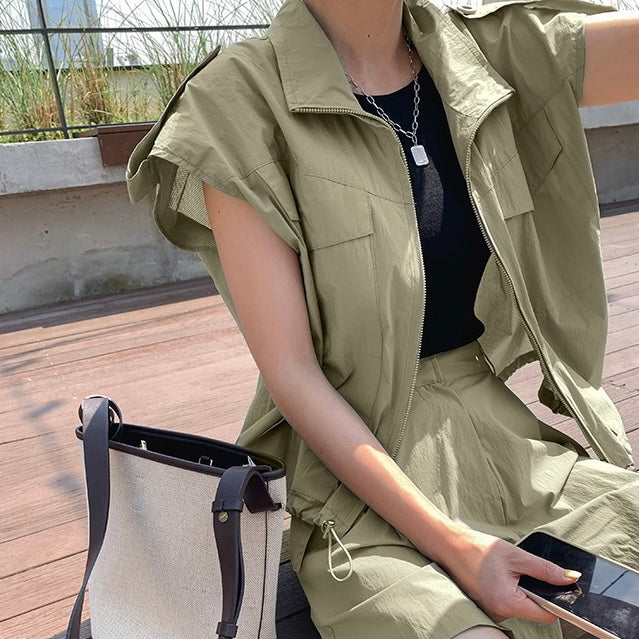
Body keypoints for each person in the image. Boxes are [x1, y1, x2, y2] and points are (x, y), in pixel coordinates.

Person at [126, 0, 639, 636]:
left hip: (508, 448)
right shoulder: (237, 102)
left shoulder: (479, 53)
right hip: (356, 484)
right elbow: (293, 374)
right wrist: (458, 547)